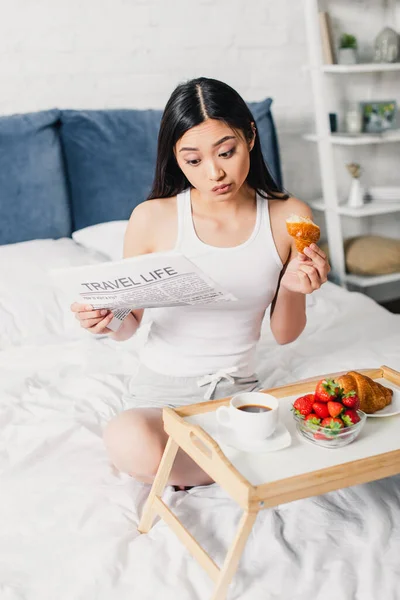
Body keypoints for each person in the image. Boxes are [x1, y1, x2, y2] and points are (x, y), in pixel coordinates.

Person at [71, 77, 330, 488]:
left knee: (322, 418)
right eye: (193, 161)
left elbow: (285, 334)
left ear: (250, 134)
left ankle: (212, 466)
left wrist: (293, 287)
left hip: (238, 396)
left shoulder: (289, 216)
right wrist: (105, 319)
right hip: (160, 397)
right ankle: (245, 468)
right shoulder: (151, 218)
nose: (214, 173)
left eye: (227, 152)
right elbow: (128, 324)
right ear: (176, 160)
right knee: (127, 439)